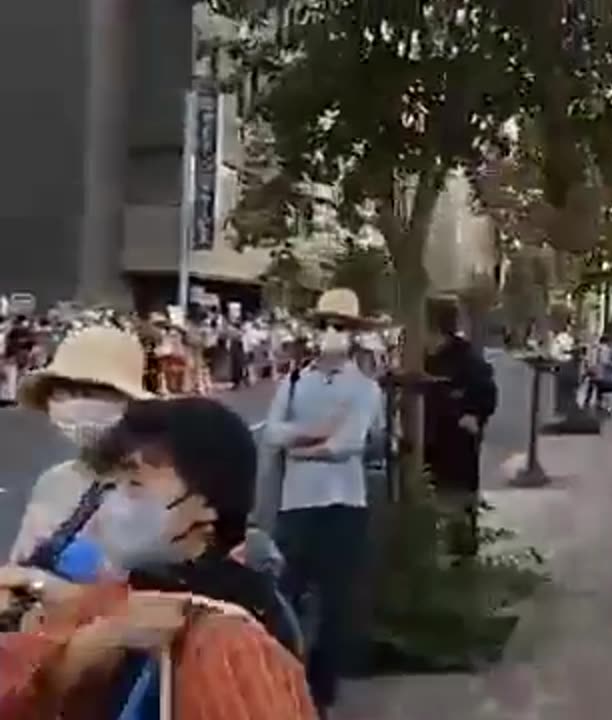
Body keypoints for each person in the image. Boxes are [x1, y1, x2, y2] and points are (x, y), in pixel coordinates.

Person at [0, 397, 315, 719]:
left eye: (135, 484)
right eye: (113, 485)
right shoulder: (139, 596)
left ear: (207, 504)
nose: (113, 503)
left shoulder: (230, 642)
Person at [264, 287, 384, 715]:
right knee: (284, 597)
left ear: (354, 335)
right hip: (296, 504)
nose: (332, 333)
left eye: (342, 326)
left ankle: (322, 689)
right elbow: (272, 433)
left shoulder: (366, 388)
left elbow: (349, 443)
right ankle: (282, 678)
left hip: (344, 504)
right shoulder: (295, 381)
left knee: (335, 602)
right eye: (326, 325)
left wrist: (303, 444)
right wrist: (317, 435)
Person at [7, 326, 152, 564]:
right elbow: (20, 565)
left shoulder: (162, 488)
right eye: (63, 392)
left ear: (129, 402)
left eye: (92, 391)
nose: (76, 403)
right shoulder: (54, 481)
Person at [422, 298, 498, 560]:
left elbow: (486, 394)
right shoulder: (420, 357)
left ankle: (462, 554)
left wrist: (473, 415)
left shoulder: (466, 359)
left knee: (457, 500)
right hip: (425, 444)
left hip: (456, 446)